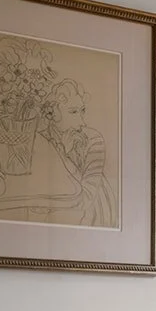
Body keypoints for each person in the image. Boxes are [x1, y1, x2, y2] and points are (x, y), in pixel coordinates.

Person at [42, 78, 116, 227]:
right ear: (54, 113)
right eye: (73, 112)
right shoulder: (42, 138)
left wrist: (65, 154)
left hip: (94, 215)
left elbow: (84, 198)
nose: (82, 121)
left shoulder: (93, 140)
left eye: (82, 111)